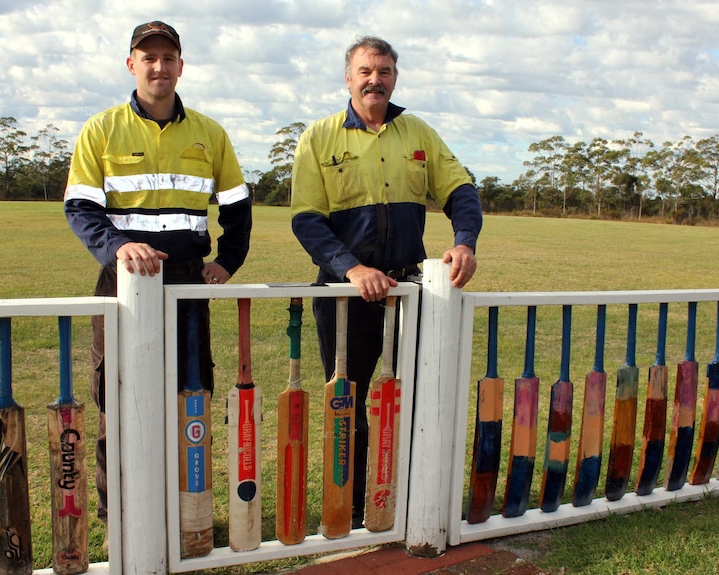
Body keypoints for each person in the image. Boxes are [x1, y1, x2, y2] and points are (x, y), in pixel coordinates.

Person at [64, 20, 252, 548]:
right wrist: (118, 247)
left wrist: (227, 263)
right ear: (131, 64)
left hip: (188, 286)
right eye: (148, 57)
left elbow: (237, 211)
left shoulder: (210, 133)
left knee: (188, 399)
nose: (158, 66)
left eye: (168, 57)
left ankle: (184, 517)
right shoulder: (102, 129)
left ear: (180, 66)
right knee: (117, 405)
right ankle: (116, 521)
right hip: (122, 284)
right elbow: (80, 208)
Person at [290, 35, 482, 530]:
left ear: (395, 77)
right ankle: (352, 509)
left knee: (419, 399)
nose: (375, 80)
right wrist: (351, 268)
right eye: (365, 71)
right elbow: (307, 220)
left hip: (410, 295)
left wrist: (464, 241)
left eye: (385, 71)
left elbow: (460, 189)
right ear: (348, 77)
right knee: (347, 403)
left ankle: (414, 502)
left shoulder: (417, 132)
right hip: (344, 296)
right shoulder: (319, 137)